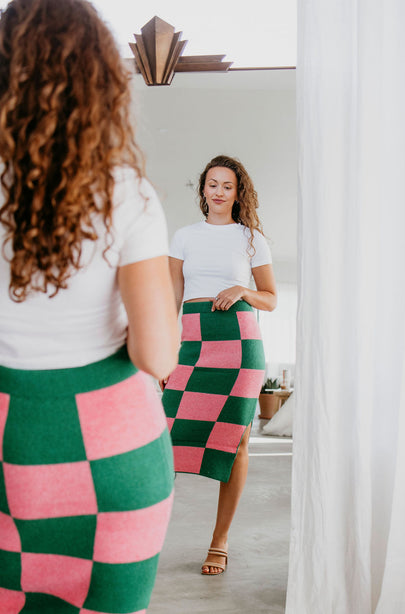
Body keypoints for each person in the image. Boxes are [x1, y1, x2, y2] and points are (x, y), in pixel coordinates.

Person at [0, 1, 179, 612]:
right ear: (100, 81)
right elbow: (155, 354)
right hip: (116, 450)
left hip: (8, 446)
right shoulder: (127, 193)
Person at [161, 154, 277, 575]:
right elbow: (171, 300)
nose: (219, 192)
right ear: (203, 189)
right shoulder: (183, 236)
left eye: (227, 185)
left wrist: (241, 289)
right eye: (213, 184)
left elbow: (270, 297)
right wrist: (165, 350)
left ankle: (219, 541)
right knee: (164, 436)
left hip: (239, 343)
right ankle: (142, 533)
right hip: (192, 342)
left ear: (237, 192)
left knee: (236, 441)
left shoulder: (251, 239)